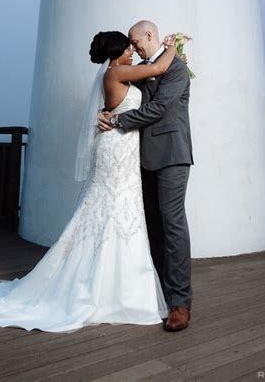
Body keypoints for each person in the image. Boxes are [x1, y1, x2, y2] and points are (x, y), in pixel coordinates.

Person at [0, 31, 176, 333]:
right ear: (117, 52)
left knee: (117, 209)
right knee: (115, 207)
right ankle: (114, 292)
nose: (132, 51)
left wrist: (104, 112)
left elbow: (133, 95)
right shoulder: (119, 70)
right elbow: (159, 69)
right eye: (128, 47)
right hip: (115, 150)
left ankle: (114, 287)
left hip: (120, 147)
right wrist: (174, 47)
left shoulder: (118, 74)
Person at [98, 20, 193, 332]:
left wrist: (117, 121)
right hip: (139, 159)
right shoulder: (142, 70)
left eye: (136, 42)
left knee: (172, 224)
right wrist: (103, 112)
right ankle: (159, 295)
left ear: (149, 35)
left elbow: (160, 109)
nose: (133, 48)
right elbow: (121, 94)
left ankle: (180, 303)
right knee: (152, 227)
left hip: (172, 156)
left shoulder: (176, 68)